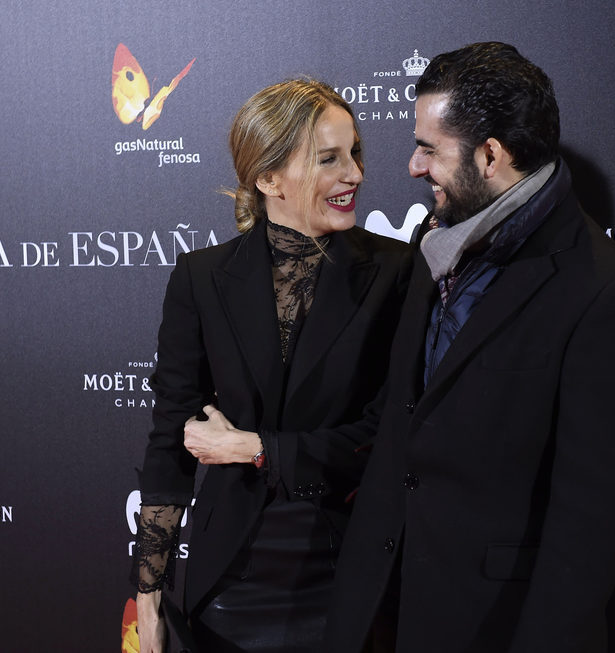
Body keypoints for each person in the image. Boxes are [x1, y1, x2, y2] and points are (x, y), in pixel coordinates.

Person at [325, 42, 615, 652]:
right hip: (379, 609)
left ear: (490, 155)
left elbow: (590, 525)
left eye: (429, 149)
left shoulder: (605, 292)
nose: (413, 167)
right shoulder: (441, 241)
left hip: (491, 626)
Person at [132, 79, 411, 653]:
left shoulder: (398, 272)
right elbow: (170, 440)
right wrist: (151, 595)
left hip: (350, 568)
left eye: (354, 153)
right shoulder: (201, 278)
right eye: (329, 159)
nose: (354, 174)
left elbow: (390, 435)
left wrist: (258, 448)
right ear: (266, 178)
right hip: (232, 574)